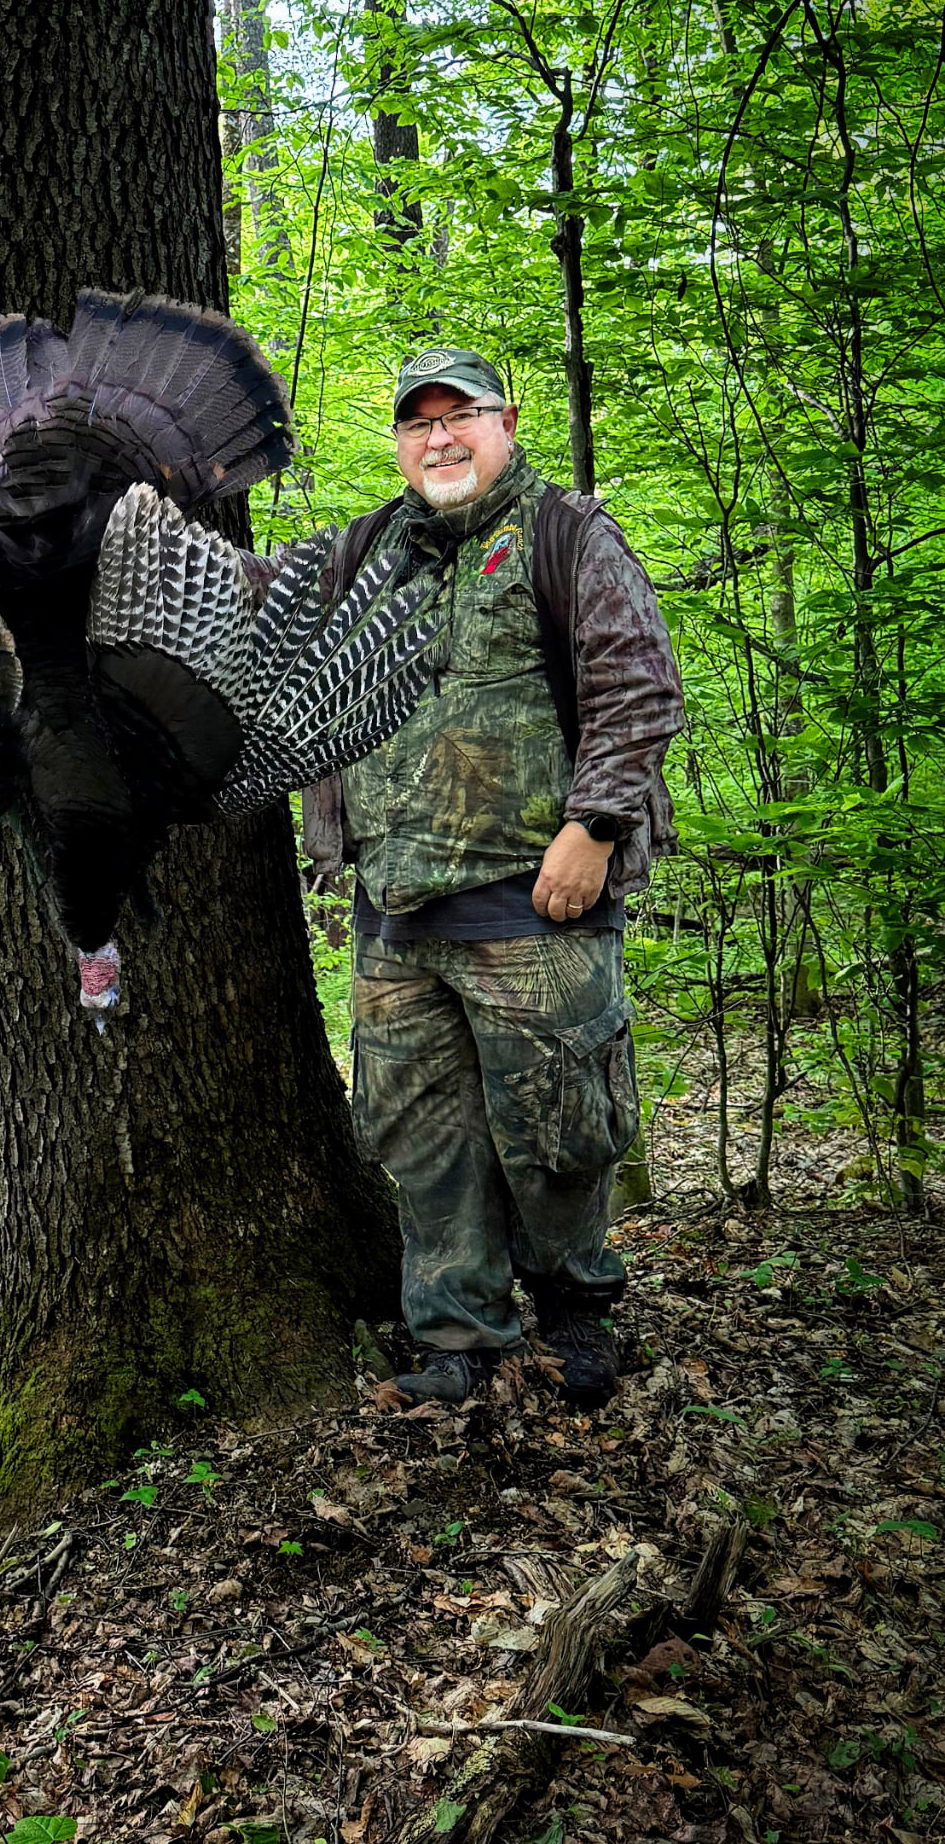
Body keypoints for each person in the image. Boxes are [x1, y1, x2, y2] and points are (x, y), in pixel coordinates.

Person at [303, 344, 684, 1410]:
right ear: (397, 442)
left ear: (504, 421)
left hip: (536, 904)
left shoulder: (563, 533)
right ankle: (458, 1339)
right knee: (423, 1142)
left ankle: (574, 1319)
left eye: (457, 415)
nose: (437, 437)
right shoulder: (364, 551)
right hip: (394, 914)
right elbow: (262, 614)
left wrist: (594, 824)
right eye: (416, 422)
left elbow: (637, 684)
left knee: (558, 1131)